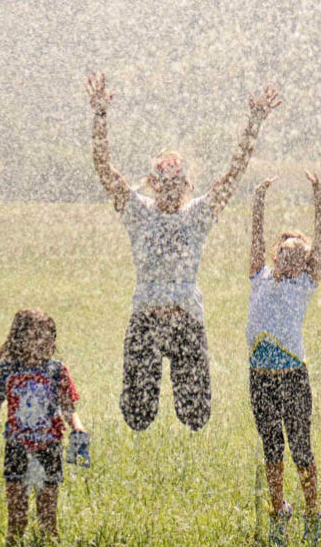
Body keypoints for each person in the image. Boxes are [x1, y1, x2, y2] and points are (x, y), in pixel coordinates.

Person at [85, 72, 280, 432]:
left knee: (196, 416)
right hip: (146, 319)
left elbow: (234, 173)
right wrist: (99, 115)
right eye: (164, 183)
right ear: (153, 183)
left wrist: (254, 122)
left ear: (187, 183)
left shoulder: (197, 215)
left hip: (186, 320)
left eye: (177, 183)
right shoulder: (138, 212)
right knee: (137, 417)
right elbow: (103, 168)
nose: (170, 189)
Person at [0, 309, 87, 547]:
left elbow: (69, 407)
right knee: (17, 516)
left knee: (47, 515)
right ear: (19, 339)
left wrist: (78, 428)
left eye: (47, 337)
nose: (42, 342)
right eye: (35, 336)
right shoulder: (5, 370)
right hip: (16, 448)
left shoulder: (57, 370)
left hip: (50, 448)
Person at [245, 172, 321, 547]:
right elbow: (256, 236)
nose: (293, 258)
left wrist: (318, 196)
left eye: (301, 256)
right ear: (276, 255)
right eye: (287, 252)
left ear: (305, 264)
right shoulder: (259, 275)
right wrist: (259, 200)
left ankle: (313, 513)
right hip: (260, 376)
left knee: (301, 447)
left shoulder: (304, 284)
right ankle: (279, 510)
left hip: (293, 377)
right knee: (271, 447)